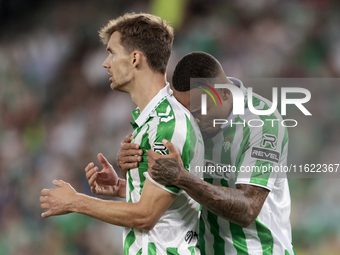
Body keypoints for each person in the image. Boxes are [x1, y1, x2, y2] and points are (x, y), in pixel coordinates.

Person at [40, 13, 204, 255]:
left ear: (135, 58)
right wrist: (122, 187)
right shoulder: (151, 120)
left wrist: (76, 201)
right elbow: (171, 198)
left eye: (112, 53)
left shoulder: (168, 125)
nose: (106, 63)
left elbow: (146, 215)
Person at [118, 52, 295, 254]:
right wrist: (130, 171)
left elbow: (247, 209)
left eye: (200, 110)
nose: (193, 121)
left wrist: (182, 178)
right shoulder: (189, 127)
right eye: (186, 112)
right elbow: (179, 190)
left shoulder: (262, 124)